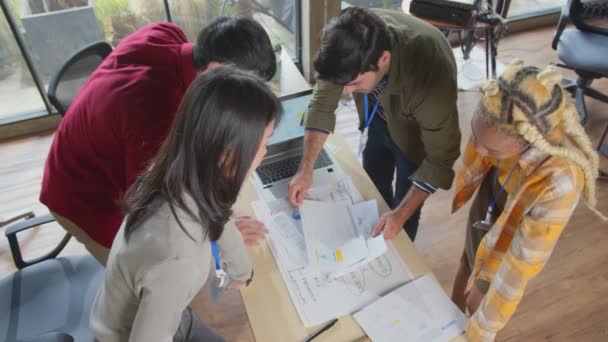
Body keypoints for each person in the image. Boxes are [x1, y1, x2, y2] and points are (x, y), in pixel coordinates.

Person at [40, 17, 275, 265]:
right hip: (85, 197)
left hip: (93, 148)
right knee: (145, 275)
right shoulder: (159, 118)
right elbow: (159, 211)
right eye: (245, 89)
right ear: (215, 68)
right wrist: (218, 235)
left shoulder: (165, 32)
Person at [90, 65, 282, 341]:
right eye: (264, 142)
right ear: (227, 155)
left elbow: (219, 215)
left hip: (149, 310)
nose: (266, 151)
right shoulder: (179, 258)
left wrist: (242, 271)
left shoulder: (183, 171)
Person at [450, 61, 606, 341]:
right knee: (470, 258)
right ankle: (449, 316)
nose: (478, 149)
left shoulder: (561, 182)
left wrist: (480, 327)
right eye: (476, 134)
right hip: (497, 193)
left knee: (479, 303)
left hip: (519, 218)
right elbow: (484, 147)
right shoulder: (499, 116)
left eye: (492, 149)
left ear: (528, 143)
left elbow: (519, 268)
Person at [287, 7, 461, 241]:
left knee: (404, 210)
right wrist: (305, 169)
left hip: (416, 136)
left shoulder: (430, 76)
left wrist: (399, 215)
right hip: (378, 116)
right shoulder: (347, 42)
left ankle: (401, 249)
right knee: (373, 184)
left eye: (354, 83)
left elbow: (439, 161)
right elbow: (321, 106)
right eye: (343, 82)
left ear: (384, 59)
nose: (346, 90)